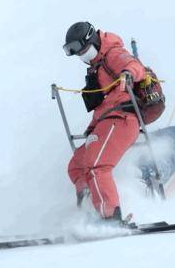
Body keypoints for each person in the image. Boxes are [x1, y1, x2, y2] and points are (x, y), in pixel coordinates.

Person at [62, 21, 145, 223]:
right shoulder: (95, 67)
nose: (83, 56)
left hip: (123, 118)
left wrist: (128, 74)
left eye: (86, 51)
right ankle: (88, 211)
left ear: (94, 41)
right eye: (79, 54)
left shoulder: (113, 54)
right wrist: (92, 129)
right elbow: (102, 106)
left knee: (96, 166)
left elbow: (135, 65)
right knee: (76, 166)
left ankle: (110, 216)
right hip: (106, 122)